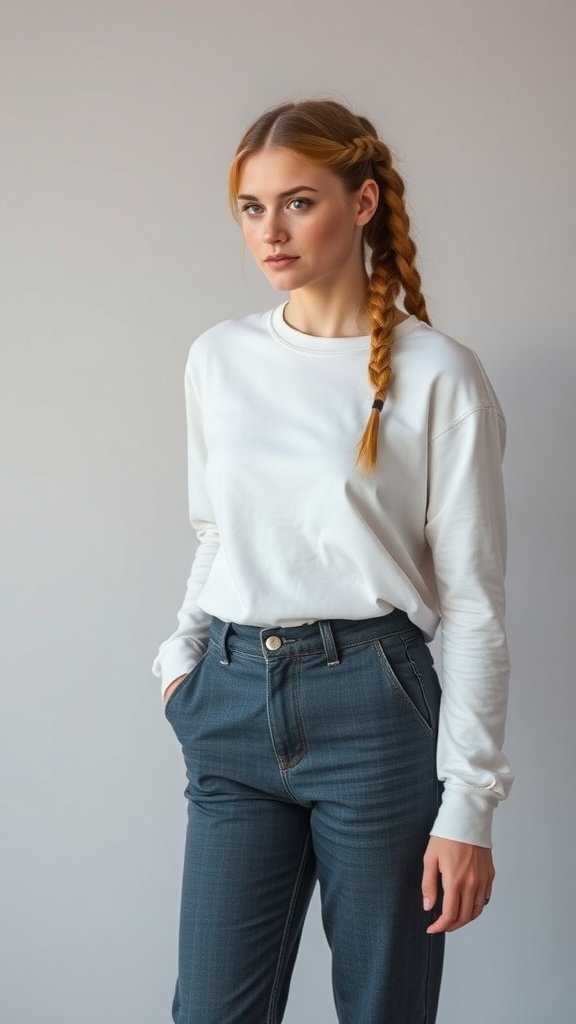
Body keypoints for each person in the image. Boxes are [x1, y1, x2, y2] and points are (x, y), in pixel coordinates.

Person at [152, 98, 513, 1024]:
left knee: (383, 1011)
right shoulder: (218, 358)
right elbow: (217, 533)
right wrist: (178, 661)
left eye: (297, 203)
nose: (269, 232)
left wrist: (468, 806)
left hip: (376, 711)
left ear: (362, 203)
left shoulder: (440, 376)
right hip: (229, 700)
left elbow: (472, 604)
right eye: (250, 207)